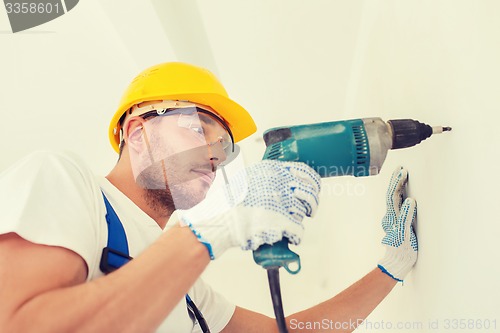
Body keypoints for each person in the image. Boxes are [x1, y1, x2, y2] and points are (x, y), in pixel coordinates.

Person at [0, 62, 418, 333]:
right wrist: (211, 233)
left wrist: (391, 267)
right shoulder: (64, 180)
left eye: (225, 147)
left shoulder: (186, 291)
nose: (215, 157)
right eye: (199, 129)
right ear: (136, 132)